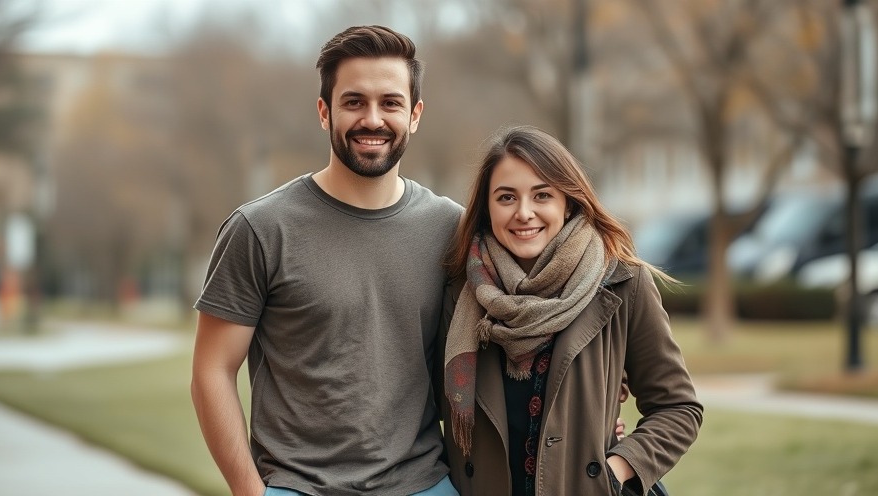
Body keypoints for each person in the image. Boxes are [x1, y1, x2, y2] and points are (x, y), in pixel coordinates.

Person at [190, 25, 463, 496]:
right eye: (354, 102)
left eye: (390, 103)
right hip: (298, 486)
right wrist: (248, 491)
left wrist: (604, 384)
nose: (372, 119)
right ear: (324, 111)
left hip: (423, 484)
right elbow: (211, 372)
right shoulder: (261, 229)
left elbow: (515, 326)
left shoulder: (451, 229)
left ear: (415, 115)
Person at [440, 125, 703, 496]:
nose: (524, 212)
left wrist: (614, 472)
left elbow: (678, 408)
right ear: (487, 208)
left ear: (568, 203)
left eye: (542, 195)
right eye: (506, 198)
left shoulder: (622, 282)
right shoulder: (459, 291)